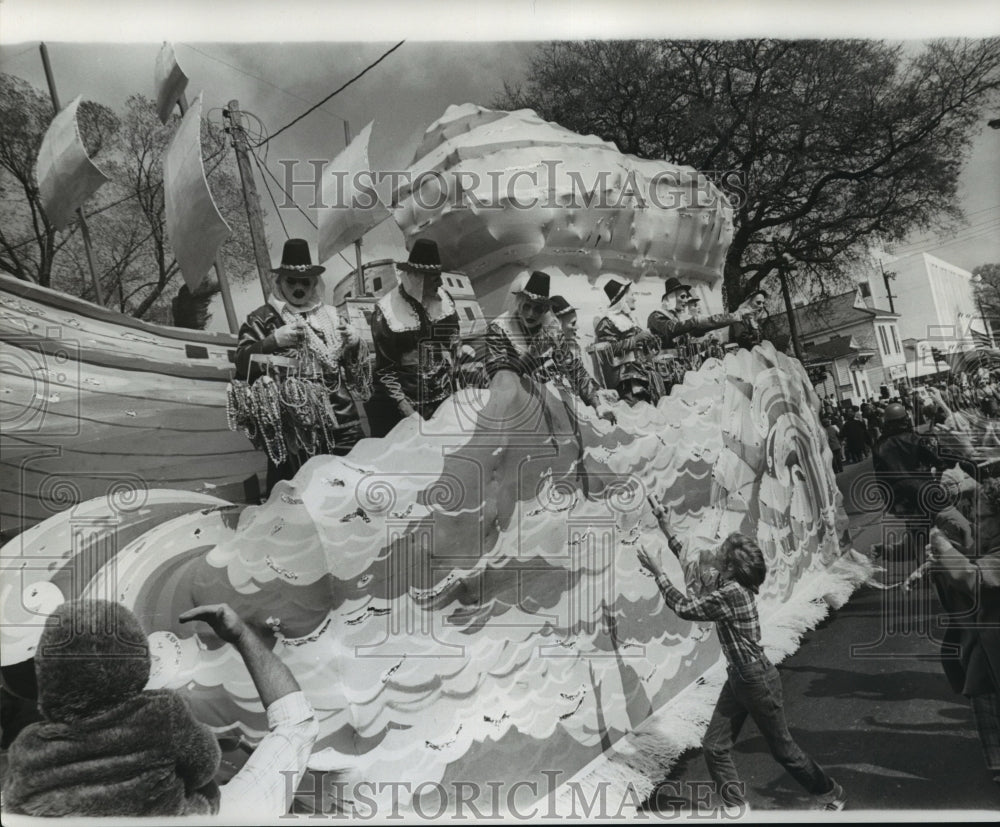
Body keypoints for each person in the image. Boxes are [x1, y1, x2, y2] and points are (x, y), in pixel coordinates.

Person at [2, 599, 318, 818]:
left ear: (48, 676)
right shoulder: (163, 714)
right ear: (138, 662)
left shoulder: (28, 748)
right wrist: (240, 635)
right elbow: (294, 724)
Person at [636, 534, 846, 811]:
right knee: (714, 746)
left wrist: (659, 573)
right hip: (740, 676)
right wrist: (666, 528)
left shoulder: (731, 593)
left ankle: (832, 794)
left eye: (721, 554)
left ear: (731, 568)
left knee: (785, 752)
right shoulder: (730, 584)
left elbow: (685, 608)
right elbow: (694, 564)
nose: (715, 553)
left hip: (756, 679)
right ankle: (736, 809)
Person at [234, 238, 368, 494]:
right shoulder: (262, 319)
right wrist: (273, 341)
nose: (298, 287)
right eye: (291, 281)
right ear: (280, 282)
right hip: (297, 428)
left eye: (304, 282)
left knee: (352, 488)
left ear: (314, 283)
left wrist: (353, 344)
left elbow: (351, 373)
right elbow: (243, 363)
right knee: (300, 495)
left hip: (343, 420)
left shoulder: (330, 315)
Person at [926, 513, 1000, 788]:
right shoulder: (991, 543)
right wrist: (941, 560)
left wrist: (944, 549)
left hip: (991, 647)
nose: (980, 524)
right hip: (985, 647)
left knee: (986, 698)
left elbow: (973, 577)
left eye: (987, 517)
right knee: (984, 699)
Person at [485, 273, 615, 422]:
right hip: (506, 403)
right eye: (526, 306)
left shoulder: (552, 330)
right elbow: (499, 375)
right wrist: (531, 354)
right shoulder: (499, 328)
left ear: (546, 310)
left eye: (538, 309)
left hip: (542, 398)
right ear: (519, 304)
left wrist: (597, 404)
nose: (531, 314)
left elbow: (573, 367)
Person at [368, 239, 461, 437]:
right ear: (418, 278)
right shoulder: (385, 312)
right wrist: (406, 409)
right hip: (409, 409)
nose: (441, 283)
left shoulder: (444, 300)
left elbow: (453, 344)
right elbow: (385, 371)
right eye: (434, 278)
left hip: (445, 401)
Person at [594, 277, 663, 404]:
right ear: (623, 299)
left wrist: (652, 339)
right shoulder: (607, 323)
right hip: (626, 380)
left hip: (642, 374)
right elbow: (607, 350)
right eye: (632, 295)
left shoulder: (630, 321)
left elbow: (641, 346)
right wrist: (635, 340)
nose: (634, 298)